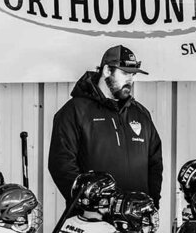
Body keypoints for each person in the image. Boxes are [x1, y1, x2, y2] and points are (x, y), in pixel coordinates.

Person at [48, 45, 163, 205]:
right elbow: (61, 164)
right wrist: (88, 204)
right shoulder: (75, 111)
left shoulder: (141, 114)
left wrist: (152, 204)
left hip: (136, 220)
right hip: (92, 221)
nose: (130, 80)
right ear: (107, 70)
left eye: (133, 75)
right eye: (124, 73)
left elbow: (155, 164)